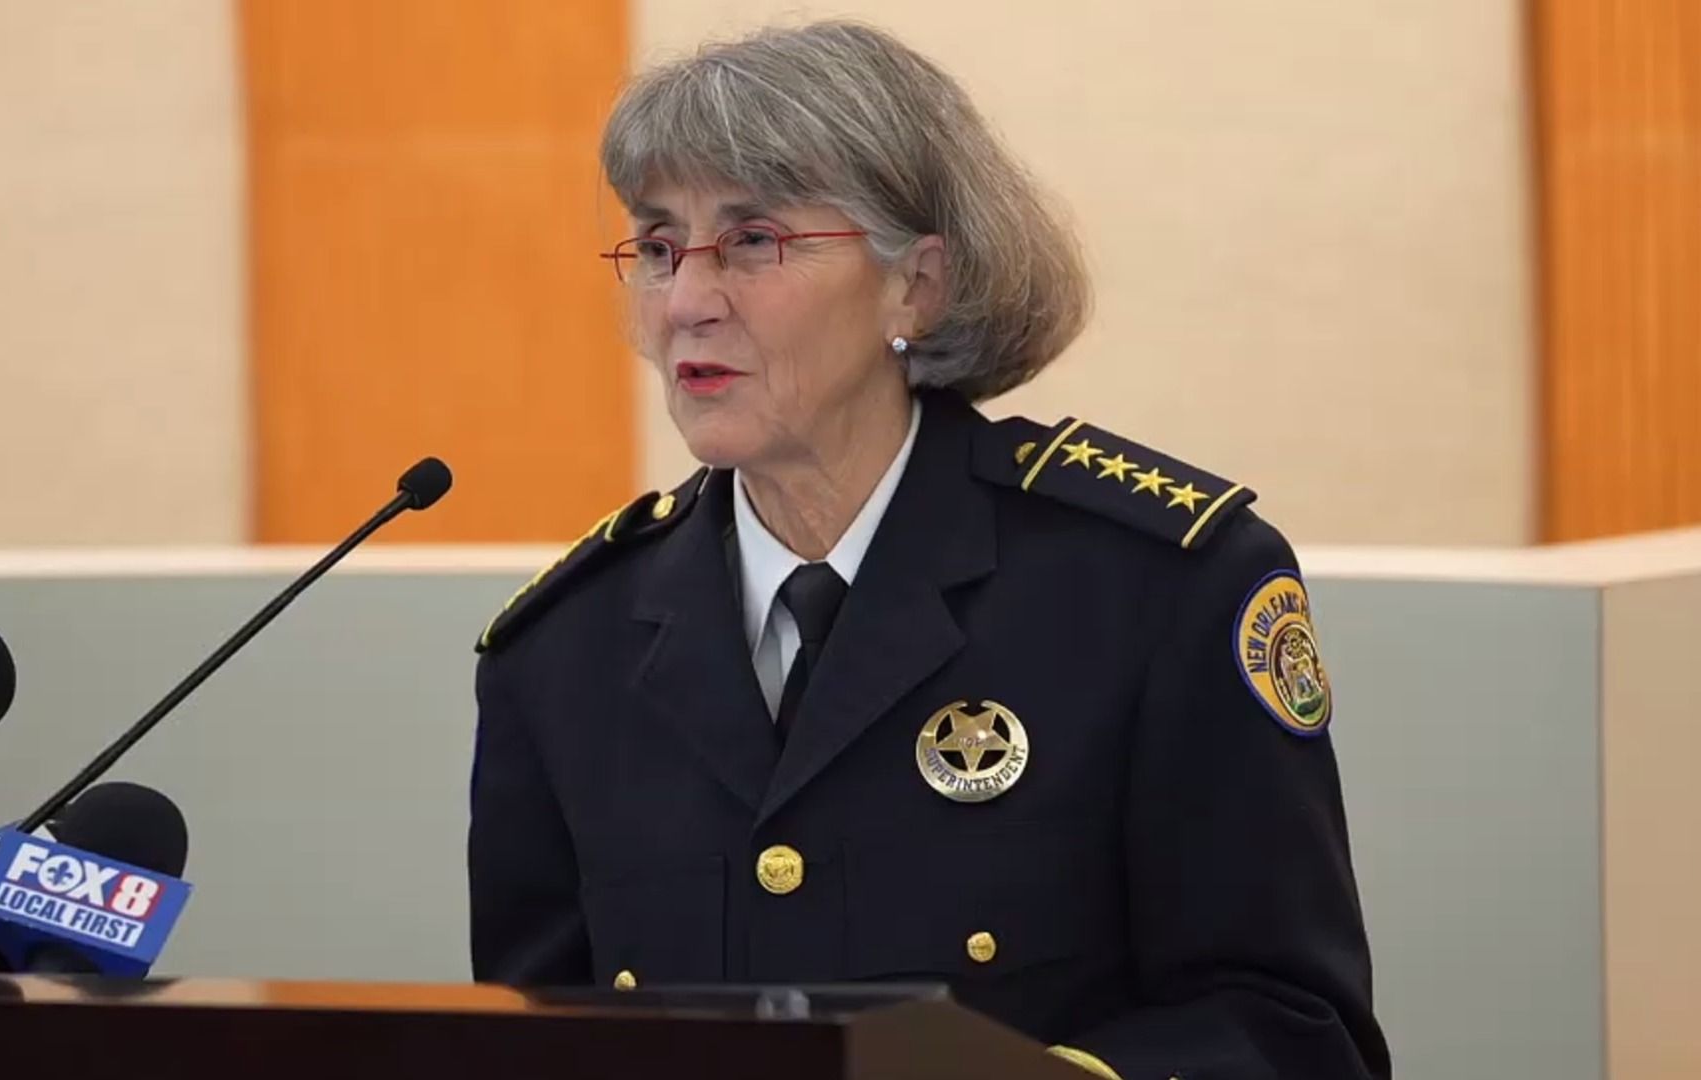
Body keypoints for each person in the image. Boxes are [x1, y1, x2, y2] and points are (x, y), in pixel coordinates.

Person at [467, 20, 1389, 1080]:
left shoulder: (1156, 591)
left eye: (755, 241)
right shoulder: (564, 655)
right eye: (660, 246)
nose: (686, 302)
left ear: (919, 285)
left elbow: (1293, 1034)